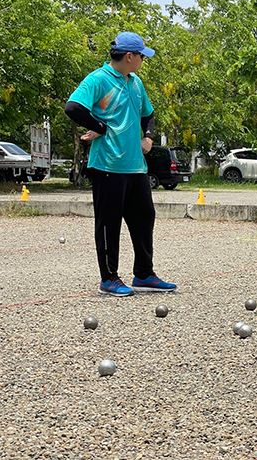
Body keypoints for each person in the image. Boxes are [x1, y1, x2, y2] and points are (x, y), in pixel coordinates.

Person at [64, 31, 176, 297]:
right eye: (141, 56)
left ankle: (144, 274)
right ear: (129, 56)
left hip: (135, 166)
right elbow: (72, 108)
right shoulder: (98, 80)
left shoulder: (136, 82)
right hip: (107, 165)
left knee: (144, 216)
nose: (143, 61)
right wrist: (99, 126)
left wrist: (148, 137)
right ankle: (109, 278)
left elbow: (148, 114)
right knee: (109, 221)